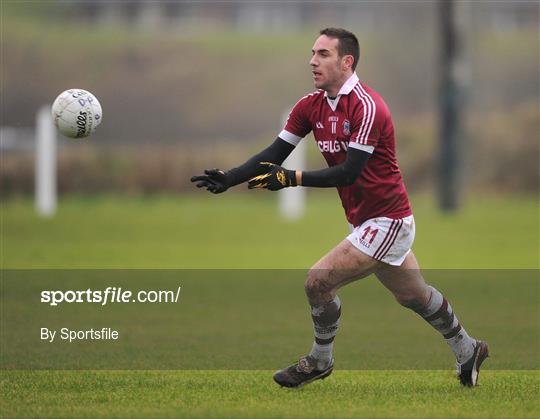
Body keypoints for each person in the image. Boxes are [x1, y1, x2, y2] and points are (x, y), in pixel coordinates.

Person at [191, 27, 488, 388]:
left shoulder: (367, 106)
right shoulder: (309, 106)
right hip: (365, 223)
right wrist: (230, 177)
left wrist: (292, 178)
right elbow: (274, 154)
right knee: (414, 295)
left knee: (318, 280)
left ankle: (319, 361)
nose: (312, 61)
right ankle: (468, 348)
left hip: (388, 221)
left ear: (347, 62)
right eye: (312, 53)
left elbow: (349, 172)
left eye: (323, 54)